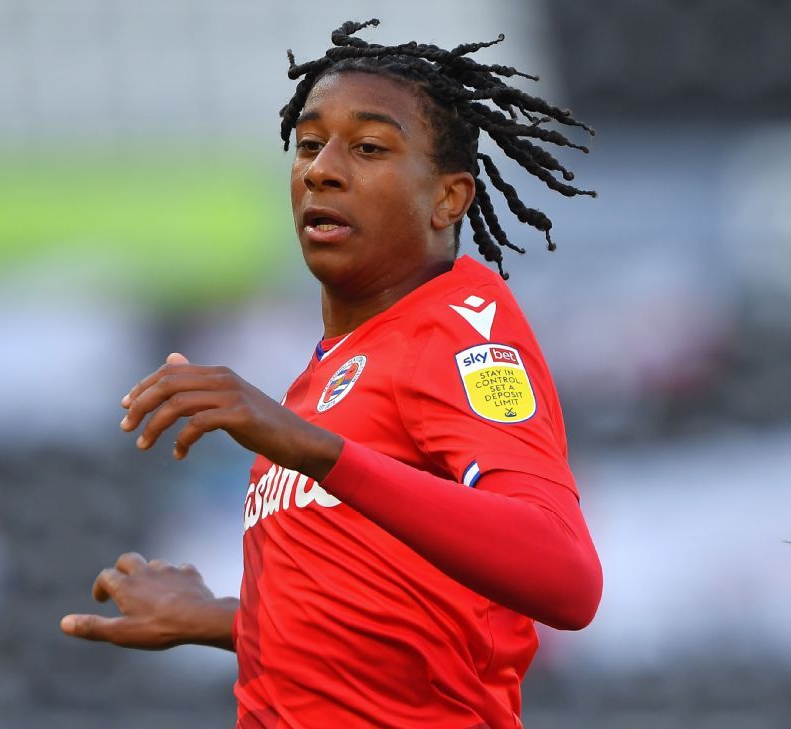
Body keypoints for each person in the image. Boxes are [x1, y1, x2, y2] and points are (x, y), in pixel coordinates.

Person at [61, 19, 603, 727]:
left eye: (369, 147)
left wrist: (313, 449)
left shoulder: (459, 329)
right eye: (310, 144)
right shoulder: (330, 371)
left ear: (448, 198)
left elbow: (566, 576)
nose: (322, 169)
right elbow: (386, 626)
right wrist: (224, 618)